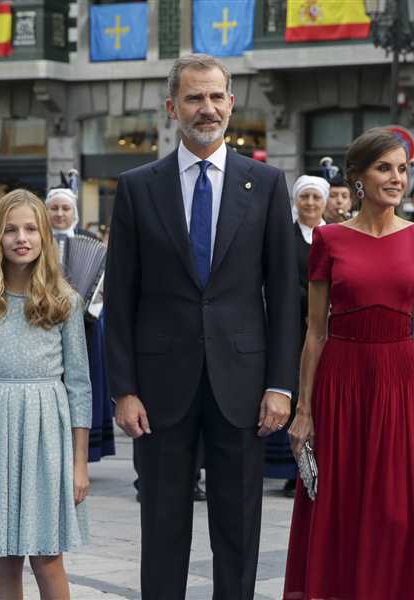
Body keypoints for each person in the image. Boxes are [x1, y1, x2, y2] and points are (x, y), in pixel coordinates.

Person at [105, 53, 299, 599]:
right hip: (159, 390)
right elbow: (120, 298)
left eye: (216, 97)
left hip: (243, 387)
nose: (206, 108)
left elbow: (284, 294)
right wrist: (124, 389)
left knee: (238, 531)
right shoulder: (138, 187)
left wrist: (281, 385)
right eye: (194, 98)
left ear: (231, 104)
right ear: (172, 108)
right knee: (162, 529)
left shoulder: (266, 184)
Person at [285, 128, 414, 599]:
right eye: (384, 168)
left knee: (395, 510)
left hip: (399, 384)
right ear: (357, 178)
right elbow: (315, 331)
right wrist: (304, 409)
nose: (397, 178)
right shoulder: (328, 238)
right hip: (340, 383)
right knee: (339, 504)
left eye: (402, 169)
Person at [0, 189, 91, 598]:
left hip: (47, 434)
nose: (21, 238)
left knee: (48, 557)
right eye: (10, 230)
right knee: (4, 558)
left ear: (45, 236)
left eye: (31, 229)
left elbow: (79, 386)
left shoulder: (64, 301)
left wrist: (79, 463)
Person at [268, 175, 330, 497]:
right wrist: (308, 305)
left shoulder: (335, 235)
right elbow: (281, 278)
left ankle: (323, 463)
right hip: (294, 323)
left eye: (316, 197)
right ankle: (293, 470)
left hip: (327, 327)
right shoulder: (286, 236)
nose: (310, 203)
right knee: (295, 390)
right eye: (304, 196)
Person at [45, 186, 116, 463]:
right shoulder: (38, 239)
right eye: (54, 208)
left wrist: (93, 307)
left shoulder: (90, 240)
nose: (60, 214)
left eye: (65, 208)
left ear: (73, 212)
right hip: (45, 323)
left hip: (86, 327)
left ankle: (82, 453)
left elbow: (103, 281)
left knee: (82, 385)